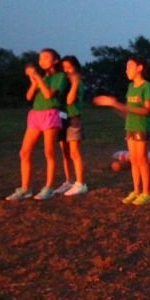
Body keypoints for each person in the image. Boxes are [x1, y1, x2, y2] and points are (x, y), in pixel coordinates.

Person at [93, 56, 150, 205]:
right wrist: (113, 105)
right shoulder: (130, 87)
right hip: (130, 127)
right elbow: (128, 111)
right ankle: (136, 190)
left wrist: (117, 104)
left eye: (130, 66)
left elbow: (146, 110)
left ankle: (147, 193)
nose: (127, 70)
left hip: (142, 127)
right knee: (133, 160)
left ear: (139, 68)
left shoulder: (147, 86)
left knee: (142, 160)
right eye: (127, 67)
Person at [6, 49, 66, 201]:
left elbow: (48, 95)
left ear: (55, 61)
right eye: (40, 59)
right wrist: (34, 82)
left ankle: (48, 187)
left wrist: (38, 77)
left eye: (46, 58)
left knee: (49, 152)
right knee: (24, 152)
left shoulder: (60, 77)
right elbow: (28, 96)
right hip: (35, 114)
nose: (42, 61)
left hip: (50, 114)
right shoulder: (43, 77)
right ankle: (25, 188)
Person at [53, 55, 87, 197]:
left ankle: (80, 183)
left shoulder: (78, 83)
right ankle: (69, 181)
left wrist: (74, 83)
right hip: (62, 118)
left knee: (74, 152)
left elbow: (70, 99)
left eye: (69, 67)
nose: (66, 70)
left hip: (74, 119)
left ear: (76, 68)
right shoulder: (63, 83)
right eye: (64, 68)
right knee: (65, 153)